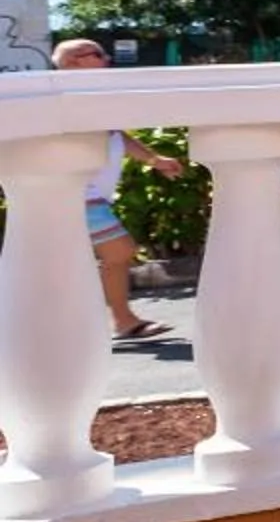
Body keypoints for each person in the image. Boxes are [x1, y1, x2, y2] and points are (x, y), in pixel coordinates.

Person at [52, 39, 187, 345]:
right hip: (77, 194)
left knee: (95, 259)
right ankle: (122, 322)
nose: (107, 58)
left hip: (87, 194)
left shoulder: (90, 97)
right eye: (98, 54)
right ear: (74, 62)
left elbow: (116, 135)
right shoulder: (61, 97)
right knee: (119, 252)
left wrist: (154, 160)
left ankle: (93, 324)